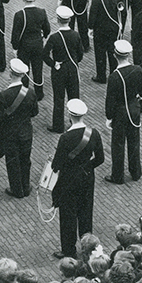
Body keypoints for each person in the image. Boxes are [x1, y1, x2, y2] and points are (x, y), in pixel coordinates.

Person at [50, 98, 104, 259]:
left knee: (68, 216)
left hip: (68, 181)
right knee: (86, 212)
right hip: (87, 178)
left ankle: (68, 249)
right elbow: (100, 159)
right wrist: (87, 167)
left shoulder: (65, 138)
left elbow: (56, 164)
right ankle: (88, 247)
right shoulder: (93, 133)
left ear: (70, 115)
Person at [0, 58, 39, 198]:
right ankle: (25, 186)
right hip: (26, 132)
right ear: (23, 76)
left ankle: (16, 189)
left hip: (10, 134)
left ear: (10, 74)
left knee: (13, 162)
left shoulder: (4, 95)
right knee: (25, 160)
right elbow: (34, 112)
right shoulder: (30, 93)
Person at [105, 40, 142, 185]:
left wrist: (109, 117)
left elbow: (110, 100)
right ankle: (135, 172)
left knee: (118, 144)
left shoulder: (114, 76)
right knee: (134, 141)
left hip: (120, 113)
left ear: (115, 55)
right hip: (134, 110)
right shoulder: (138, 69)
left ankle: (117, 175)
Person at [43, 6, 83, 133]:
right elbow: (80, 54)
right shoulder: (76, 35)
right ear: (69, 20)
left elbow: (44, 54)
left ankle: (58, 126)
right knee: (74, 96)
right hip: (72, 68)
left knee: (59, 98)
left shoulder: (54, 37)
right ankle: (75, 123)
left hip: (59, 69)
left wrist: (53, 63)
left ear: (58, 20)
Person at [89, 0, 127, 83]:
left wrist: (90, 27)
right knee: (113, 52)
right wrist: (121, 26)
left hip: (100, 30)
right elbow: (123, 12)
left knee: (100, 53)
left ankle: (101, 76)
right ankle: (113, 73)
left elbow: (93, 15)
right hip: (114, 29)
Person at [12, 0, 50, 102]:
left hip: (24, 46)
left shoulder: (19, 15)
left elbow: (15, 34)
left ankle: (24, 93)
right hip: (38, 44)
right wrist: (43, 37)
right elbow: (47, 29)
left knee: (24, 71)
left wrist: (15, 47)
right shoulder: (42, 12)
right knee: (38, 69)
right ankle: (39, 93)